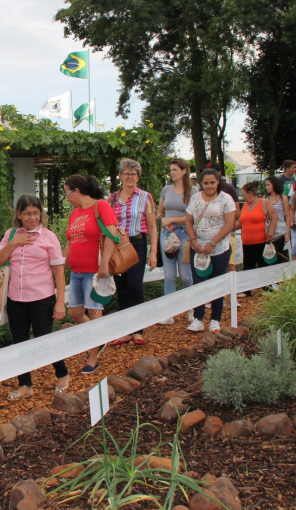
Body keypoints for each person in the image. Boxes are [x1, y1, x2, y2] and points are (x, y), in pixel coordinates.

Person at [0, 195, 68, 400]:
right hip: (15, 298)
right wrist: (14, 243)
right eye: (27, 213)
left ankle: (62, 373)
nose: (32, 217)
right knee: (19, 343)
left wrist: (60, 301)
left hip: (42, 298)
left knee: (45, 340)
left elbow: (59, 271)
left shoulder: (49, 237)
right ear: (18, 214)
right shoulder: (10, 235)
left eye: (36, 213)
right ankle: (25, 384)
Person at [63, 174, 118, 373]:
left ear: (76, 190)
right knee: (75, 313)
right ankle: (99, 338)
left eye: (67, 193)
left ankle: (93, 358)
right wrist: (63, 264)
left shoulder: (101, 206)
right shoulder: (75, 213)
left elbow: (111, 236)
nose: (67, 198)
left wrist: (104, 264)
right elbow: (70, 241)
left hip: (94, 272)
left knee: (94, 312)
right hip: (76, 272)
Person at [107, 159, 157, 345]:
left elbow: (152, 227)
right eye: (126, 173)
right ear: (120, 176)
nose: (130, 177)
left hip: (137, 244)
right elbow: (106, 225)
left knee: (135, 286)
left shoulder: (146, 197)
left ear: (138, 177)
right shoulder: (111, 199)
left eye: (133, 174)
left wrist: (153, 253)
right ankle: (125, 331)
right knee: (122, 288)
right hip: (117, 247)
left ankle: (138, 331)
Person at [186, 168, 236, 332]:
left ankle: (215, 318)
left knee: (217, 282)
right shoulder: (195, 198)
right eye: (206, 183)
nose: (209, 186)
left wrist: (213, 243)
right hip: (199, 248)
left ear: (218, 182)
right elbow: (189, 221)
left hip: (219, 248)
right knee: (199, 282)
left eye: (212, 182)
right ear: (201, 183)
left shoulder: (226, 199)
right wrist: (193, 240)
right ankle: (198, 318)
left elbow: (229, 224)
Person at [156, 159, 197, 324]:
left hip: (185, 234)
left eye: (175, 170)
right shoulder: (165, 190)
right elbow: (159, 213)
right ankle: (169, 312)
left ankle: (193, 309)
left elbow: (192, 217)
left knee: (186, 276)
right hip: (167, 235)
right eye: (170, 170)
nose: (172, 172)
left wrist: (172, 220)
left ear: (184, 171)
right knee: (169, 275)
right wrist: (164, 220)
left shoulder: (193, 191)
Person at [236, 182, 278, 295]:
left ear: (250, 193)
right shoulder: (245, 205)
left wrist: (271, 233)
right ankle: (246, 290)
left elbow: (274, 217)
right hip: (247, 241)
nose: (243, 197)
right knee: (248, 265)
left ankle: (268, 288)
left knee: (263, 264)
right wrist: (228, 228)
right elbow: (240, 222)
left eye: (244, 194)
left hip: (261, 240)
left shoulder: (264, 203)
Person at [264, 176, 289, 261]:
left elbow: (287, 216)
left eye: (268, 185)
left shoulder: (283, 198)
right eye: (266, 185)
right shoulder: (265, 198)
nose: (266, 187)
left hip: (280, 230)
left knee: (279, 253)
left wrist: (287, 232)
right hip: (269, 229)